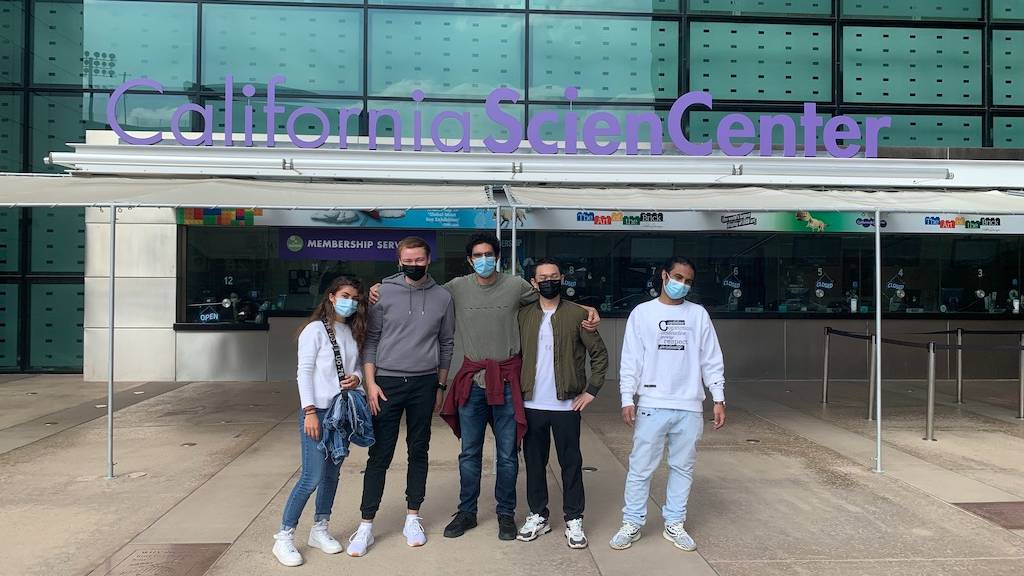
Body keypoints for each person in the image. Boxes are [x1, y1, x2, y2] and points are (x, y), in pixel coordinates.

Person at [370, 232, 600, 541]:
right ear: (469, 260)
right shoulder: (454, 289)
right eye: (477, 256)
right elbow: (421, 285)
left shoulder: (517, 286)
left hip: (507, 380)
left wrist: (586, 309)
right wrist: (381, 285)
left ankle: (506, 513)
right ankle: (467, 512)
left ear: (498, 258)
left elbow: (551, 300)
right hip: (473, 381)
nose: (483, 260)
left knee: (507, 454)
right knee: (469, 453)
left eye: (488, 254)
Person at [346, 237, 456, 557]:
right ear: (399, 260)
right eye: (407, 260)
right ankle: (366, 524)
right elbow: (371, 340)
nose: (413, 265)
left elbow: (447, 343)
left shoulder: (443, 297)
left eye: (419, 259)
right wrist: (370, 384)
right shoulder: (383, 293)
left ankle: (412, 516)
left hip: (424, 383)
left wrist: (440, 386)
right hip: (387, 384)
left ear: (428, 259)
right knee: (380, 454)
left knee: (418, 450)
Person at [609, 257, 727, 553]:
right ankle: (632, 522)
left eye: (687, 281)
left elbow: (711, 359)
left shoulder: (698, 315)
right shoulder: (642, 313)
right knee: (640, 468)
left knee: (682, 468)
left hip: (689, 406)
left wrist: (718, 397)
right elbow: (631, 359)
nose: (681, 285)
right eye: (677, 277)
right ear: (664, 276)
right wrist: (627, 397)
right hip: (652, 403)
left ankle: (674, 522)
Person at [272, 276, 366, 567]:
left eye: (356, 298)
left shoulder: (351, 331)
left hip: (342, 413)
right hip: (319, 412)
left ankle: (320, 529)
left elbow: (359, 366)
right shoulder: (314, 330)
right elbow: (304, 372)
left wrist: (358, 378)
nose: (351, 302)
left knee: (331, 475)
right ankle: (284, 536)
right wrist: (309, 411)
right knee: (311, 476)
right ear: (331, 296)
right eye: (346, 295)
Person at [515, 257, 608, 549]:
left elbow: (599, 355)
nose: (548, 281)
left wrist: (591, 391)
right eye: (542, 277)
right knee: (534, 463)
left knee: (570, 462)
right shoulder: (523, 315)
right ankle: (537, 515)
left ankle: (573, 519)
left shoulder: (577, 314)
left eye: (553, 276)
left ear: (562, 278)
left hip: (566, 405)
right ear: (533, 283)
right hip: (531, 404)